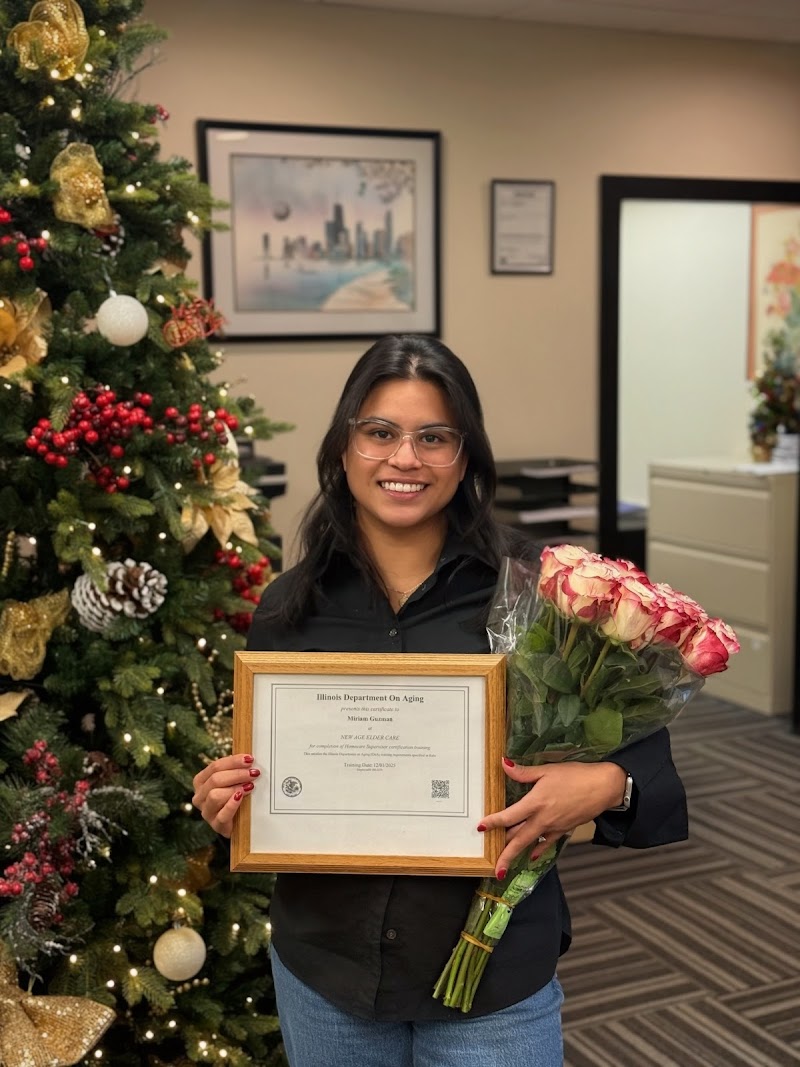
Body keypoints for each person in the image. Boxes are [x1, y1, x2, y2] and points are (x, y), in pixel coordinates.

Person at [192, 334, 687, 1067]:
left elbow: (643, 759)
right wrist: (228, 801)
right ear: (344, 449)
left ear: (466, 456)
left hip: (491, 981)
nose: (405, 458)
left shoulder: (540, 592)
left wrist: (608, 784)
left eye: (433, 437)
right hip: (328, 976)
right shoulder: (289, 608)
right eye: (379, 432)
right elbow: (266, 782)